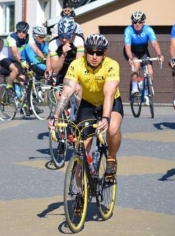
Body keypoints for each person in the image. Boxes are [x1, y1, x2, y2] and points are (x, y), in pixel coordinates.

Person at [48, 33, 123, 179]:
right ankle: (79, 193)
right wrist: (55, 115)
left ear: (104, 54)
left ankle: (111, 159)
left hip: (111, 103)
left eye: (99, 52)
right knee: (80, 149)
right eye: (91, 52)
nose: (94, 56)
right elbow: (66, 92)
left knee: (113, 128)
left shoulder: (112, 65)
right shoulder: (76, 64)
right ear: (86, 52)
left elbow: (109, 93)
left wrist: (106, 118)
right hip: (88, 104)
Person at [124, 11, 164, 101]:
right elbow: (127, 47)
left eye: (139, 22)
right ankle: (134, 88)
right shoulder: (128, 30)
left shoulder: (148, 30)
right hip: (132, 51)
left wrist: (159, 55)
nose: (137, 24)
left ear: (143, 22)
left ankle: (145, 90)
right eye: (134, 22)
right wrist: (130, 58)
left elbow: (154, 44)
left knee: (150, 71)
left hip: (143, 51)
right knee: (136, 65)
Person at [0, 21, 46, 97]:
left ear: (27, 32)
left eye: (23, 32)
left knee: (22, 79)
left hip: (16, 59)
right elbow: (14, 52)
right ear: (16, 31)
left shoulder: (29, 37)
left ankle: (21, 100)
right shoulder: (11, 38)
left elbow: (35, 49)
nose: (21, 33)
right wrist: (21, 61)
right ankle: (9, 86)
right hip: (5, 58)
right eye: (19, 31)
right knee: (16, 70)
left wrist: (43, 58)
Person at [20, 25, 51, 115]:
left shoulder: (43, 44)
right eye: (41, 37)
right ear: (35, 36)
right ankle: (25, 101)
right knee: (38, 72)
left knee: (35, 83)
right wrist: (47, 68)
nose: (43, 38)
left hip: (33, 64)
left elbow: (50, 53)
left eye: (44, 36)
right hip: (24, 62)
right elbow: (33, 60)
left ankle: (33, 102)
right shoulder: (29, 45)